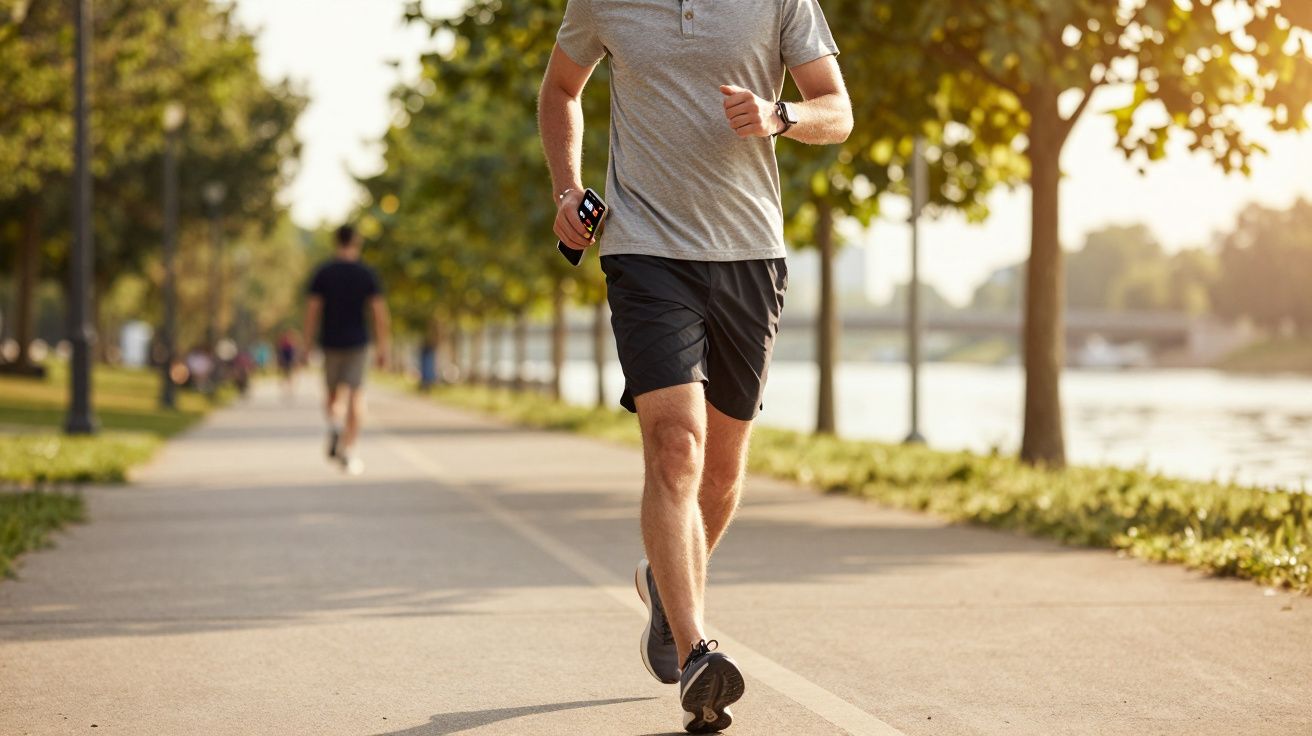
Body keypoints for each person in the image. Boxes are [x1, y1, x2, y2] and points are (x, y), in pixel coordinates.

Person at [539, 1, 851, 732]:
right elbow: (561, 88)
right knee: (676, 445)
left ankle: (661, 580)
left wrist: (782, 116)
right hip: (644, 249)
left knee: (722, 471)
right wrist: (565, 187)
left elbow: (837, 111)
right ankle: (697, 653)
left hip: (750, 253)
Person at [302, 225, 390, 475]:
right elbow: (379, 313)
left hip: (330, 342)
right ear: (357, 243)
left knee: (332, 396)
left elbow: (312, 311)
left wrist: (306, 344)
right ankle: (349, 451)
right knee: (356, 396)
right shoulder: (366, 274)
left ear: (335, 242)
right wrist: (383, 347)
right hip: (358, 343)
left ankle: (334, 425)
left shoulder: (323, 272)